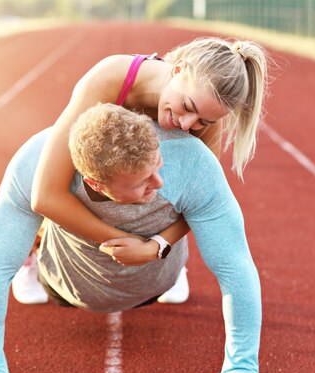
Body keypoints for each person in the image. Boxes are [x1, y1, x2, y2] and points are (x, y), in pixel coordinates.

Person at [0, 104, 277, 373]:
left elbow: (235, 267)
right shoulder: (35, 162)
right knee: (21, 237)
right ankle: (33, 257)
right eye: (142, 182)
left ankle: (176, 263)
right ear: (94, 182)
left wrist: (242, 364)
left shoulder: (192, 162)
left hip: (158, 278)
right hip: (67, 284)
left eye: (157, 166)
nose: (159, 181)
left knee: (188, 208)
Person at [13, 37, 268, 305]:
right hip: (94, 183)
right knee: (66, 173)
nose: (186, 124)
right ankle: (32, 255)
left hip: (152, 222)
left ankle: (176, 264)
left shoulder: (204, 116)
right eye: (187, 107)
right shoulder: (107, 79)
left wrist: (157, 247)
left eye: (203, 121)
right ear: (178, 70)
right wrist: (122, 241)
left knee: (175, 183)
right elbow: (45, 194)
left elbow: (199, 201)